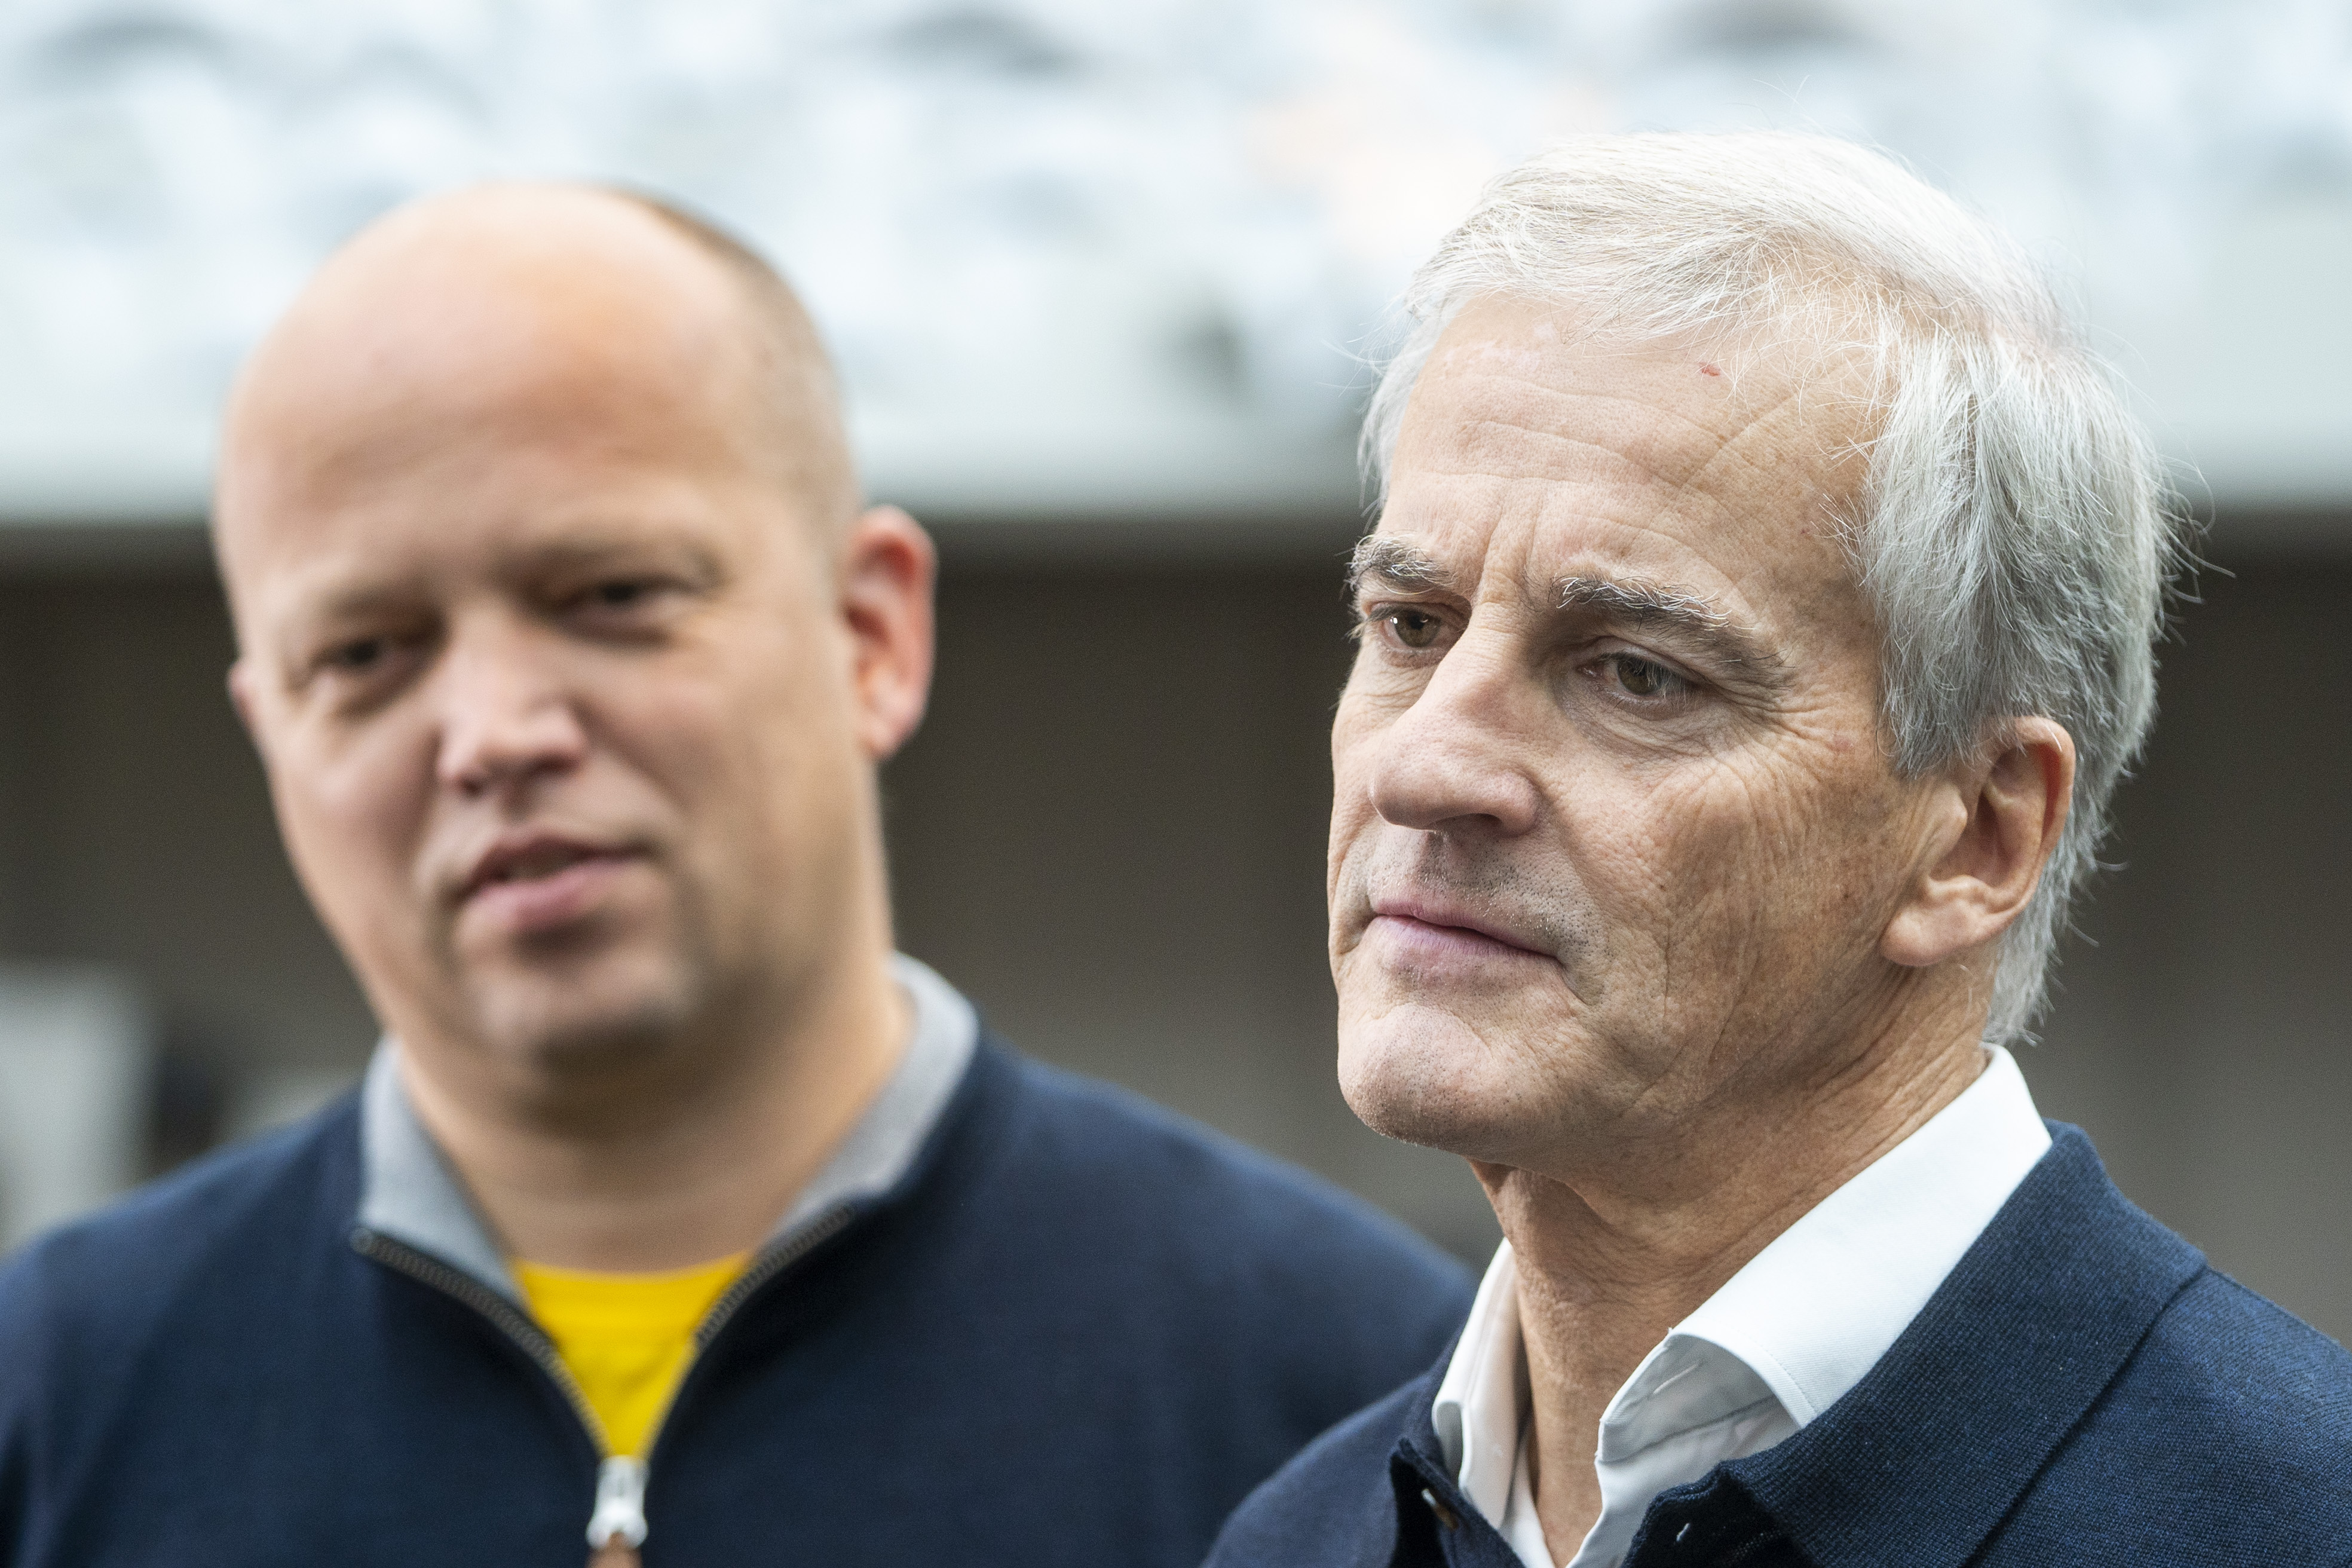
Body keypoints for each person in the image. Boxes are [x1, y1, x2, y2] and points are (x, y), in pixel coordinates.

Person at [0, 183, 1472, 1568]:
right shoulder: (55, 1399)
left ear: (870, 635)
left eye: (612, 596)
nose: (496, 733)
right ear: (276, 733)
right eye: (367, 654)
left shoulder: (1364, 1396)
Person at [1208, 132, 2352, 1568]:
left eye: (1634, 672)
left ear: (1979, 837)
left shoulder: (2291, 1523)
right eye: (1411, 626)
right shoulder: (1297, 1536)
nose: (1426, 763)